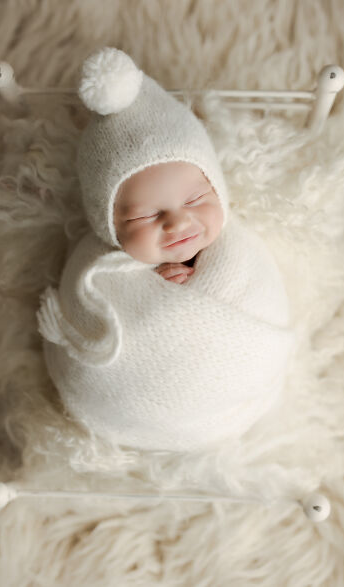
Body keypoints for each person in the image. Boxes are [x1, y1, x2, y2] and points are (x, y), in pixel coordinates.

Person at [35, 47, 294, 452]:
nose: (176, 223)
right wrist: (151, 293)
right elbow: (85, 326)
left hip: (229, 393)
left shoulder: (239, 252)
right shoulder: (96, 269)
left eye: (194, 201)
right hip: (126, 404)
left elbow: (264, 298)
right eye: (143, 217)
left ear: (218, 190)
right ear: (109, 227)